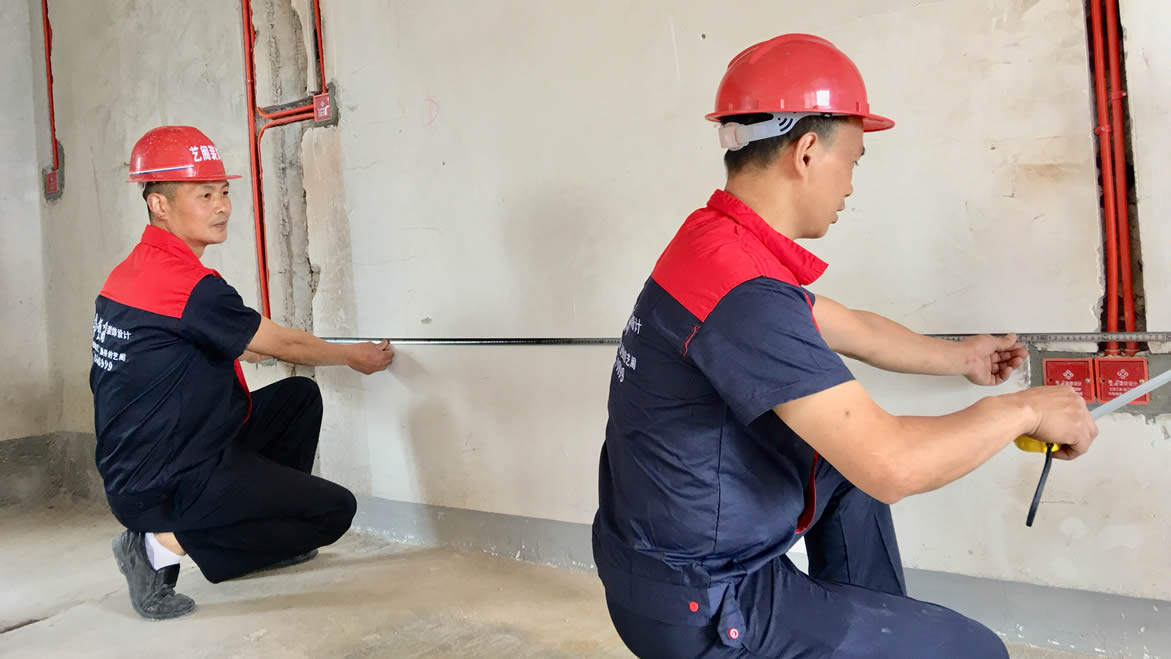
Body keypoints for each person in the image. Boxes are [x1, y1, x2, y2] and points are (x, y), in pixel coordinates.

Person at [591, 34, 1097, 658]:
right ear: (807, 152)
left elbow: (854, 327)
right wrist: (1025, 409)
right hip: (707, 601)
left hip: (661, 566)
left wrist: (963, 358)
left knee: (840, 471)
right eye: (853, 160)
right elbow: (892, 464)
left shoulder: (714, 244)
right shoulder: (746, 295)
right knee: (973, 651)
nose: (852, 186)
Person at [91, 125, 395, 620]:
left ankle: (255, 534)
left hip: (143, 461)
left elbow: (165, 349)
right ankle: (157, 546)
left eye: (224, 192)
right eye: (204, 195)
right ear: (158, 204)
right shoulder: (191, 286)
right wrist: (352, 355)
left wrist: (239, 347)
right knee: (333, 511)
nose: (222, 207)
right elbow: (286, 344)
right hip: (168, 479)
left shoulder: (132, 271)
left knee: (297, 398)